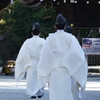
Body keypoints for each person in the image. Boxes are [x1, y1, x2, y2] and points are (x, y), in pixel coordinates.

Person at [37, 14, 88, 100]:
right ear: (65, 26)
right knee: (66, 93)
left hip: (54, 70)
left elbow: (44, 55)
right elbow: (78, 54)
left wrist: (53, 63)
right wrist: (67, 62)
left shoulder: (50, 38)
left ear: (55, 26)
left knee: (54, 93)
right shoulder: (70, 38)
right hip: (66, 69)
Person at [15, 22, 45, 98]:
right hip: (40, 62)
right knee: (40, 77)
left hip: (30, 62)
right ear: (39, 33)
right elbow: (46, 53)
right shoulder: (43, 41)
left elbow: (23, 54)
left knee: (31, 79)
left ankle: (32, 93)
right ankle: (40, 92)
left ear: (32, 33)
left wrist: (26, 63)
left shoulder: (27, 42)